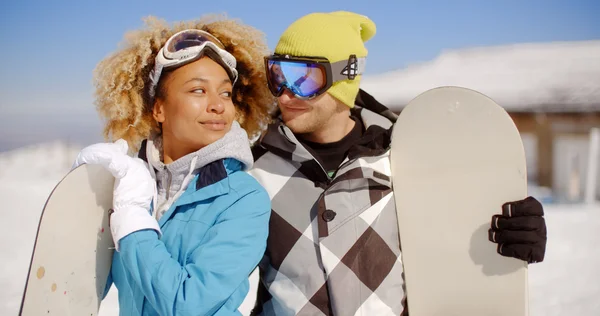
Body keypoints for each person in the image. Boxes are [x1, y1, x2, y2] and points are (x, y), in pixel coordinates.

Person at [249, 11, 547, 315]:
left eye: (305, 78)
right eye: (277, 75)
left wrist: (517, 233)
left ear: (344, 77)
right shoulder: (254, 170)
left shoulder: (404, 158)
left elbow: (455, 237)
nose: (285, 96)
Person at [72, 15, 276, 316]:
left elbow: (189, 304)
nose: (218, 105)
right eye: (198, 90)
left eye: (225, 93)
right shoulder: (134, 186)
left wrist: (133, 222)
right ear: (158, 109)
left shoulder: (243, 199)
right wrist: (87, 201)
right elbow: (84, 289)